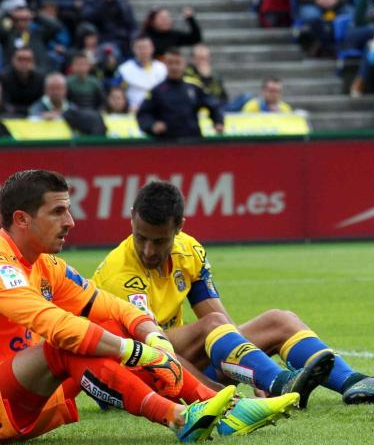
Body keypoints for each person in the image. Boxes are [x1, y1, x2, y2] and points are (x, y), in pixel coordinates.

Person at [93, 181, 374, 406]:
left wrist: (246, 363)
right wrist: (218, 395)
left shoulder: (189, 251)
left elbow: (225, 326)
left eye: (159, 240)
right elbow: (154, 354)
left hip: (178, 359)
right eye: (141, 237)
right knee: (208, 328)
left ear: (179, 227)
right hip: (130, 377)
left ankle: (355, 383)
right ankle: (281, 383)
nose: (149, 250)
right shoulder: (120, 275)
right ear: (131, 220)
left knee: (279, 320)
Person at [0, 169, 242, 442]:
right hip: (7, 402)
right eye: (58, 212)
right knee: (66, 344)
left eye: (68, 210)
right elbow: (54, 324)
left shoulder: (47, 264)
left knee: (113, 326)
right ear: (21, 219)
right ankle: (177, 417)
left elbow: (114, 307)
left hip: (29, 400)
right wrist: (136, 352)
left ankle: (226, 409)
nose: (70, 222)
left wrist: (156, 339)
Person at [137, 48, 223, 139]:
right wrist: (152, 125)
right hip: (166, 143)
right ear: (165, 64)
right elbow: (143, 114)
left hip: (193, 140)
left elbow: (213, 104)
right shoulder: (157, 90)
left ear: (184, 64)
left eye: (177, 63)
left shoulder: (194, 87)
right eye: (170, 63)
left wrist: (218, 122)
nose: (174, 67)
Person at [0, 3, 63, 72]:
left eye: (26, 19)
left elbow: (57, 27)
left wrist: (35, 15)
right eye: (19, 19)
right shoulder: (8, 34)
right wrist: (9, 14)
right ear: (13, 20)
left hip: (38, 73)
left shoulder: (38, 34)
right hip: (13, 76)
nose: (23, 22)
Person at [116, 35, 166, 111]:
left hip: (158, 110)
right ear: (133, 49)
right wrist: (127, 106)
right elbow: (117, 92)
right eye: (139, 48)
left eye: (146, 47)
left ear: (152, 48)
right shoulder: (124, 69)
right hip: (132, 110)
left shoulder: (162, 68)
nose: (143, 51)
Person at [1, 47, 45, 116]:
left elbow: (42, 103)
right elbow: (4, 105)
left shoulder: (40, 79)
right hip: (9, 117)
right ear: (13, 60)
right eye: (20, 59)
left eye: (28, 60)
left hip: (35, 117)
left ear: (34, 61)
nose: (24, 63)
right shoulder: (4, 78)